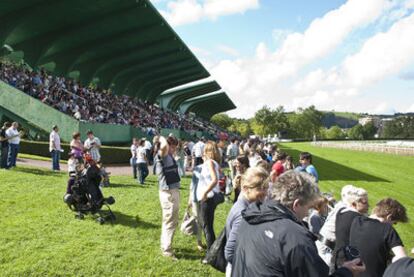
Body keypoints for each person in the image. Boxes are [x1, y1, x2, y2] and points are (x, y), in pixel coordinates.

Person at [231, 170, 365, 277]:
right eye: (308, 208)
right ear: (296, 205)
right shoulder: (295, 239)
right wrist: (347, 272)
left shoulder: (251, 217)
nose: (307, 214)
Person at [225, 167, 269, 276]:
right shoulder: (243, 214)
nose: (264, 192)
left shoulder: (249, 206)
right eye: (259, 188)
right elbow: (230, 252)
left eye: (266, 187)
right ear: (245, 188)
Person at [349, 198, 408, 277]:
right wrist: (392, 259)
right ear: (389, 217)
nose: (393, 225)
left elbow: (369, 243)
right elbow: (403, 260)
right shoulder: (387, 229)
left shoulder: (356, 221)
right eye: (395, 223)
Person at [195, 141, 224, 255]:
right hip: (211, 197)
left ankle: (211, 253)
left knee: (206, 226)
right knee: (207, 225)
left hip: (208, 197)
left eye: (204, 150)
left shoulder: (209, 163)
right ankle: (213, 249)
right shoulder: (214, 163)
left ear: (208, 152)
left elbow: (214, 179)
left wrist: (205, 193)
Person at [155, 136, 181, 260]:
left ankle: (166, 245)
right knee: (170, 221)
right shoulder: (163, 153)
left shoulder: (168, 155)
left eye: (175, 146)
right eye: (172, 146)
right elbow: (164, 146)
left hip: (172, 191)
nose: (174, 149)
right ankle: (167, 250)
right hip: (168, 192)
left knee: (170, 221)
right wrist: (161, 137)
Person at [332, 187, 369, 267]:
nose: (368, 205)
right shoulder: (359, 219)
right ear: (354, 204)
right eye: (365, 202)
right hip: (348, 262)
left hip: (336, 257)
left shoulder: (341, 212)